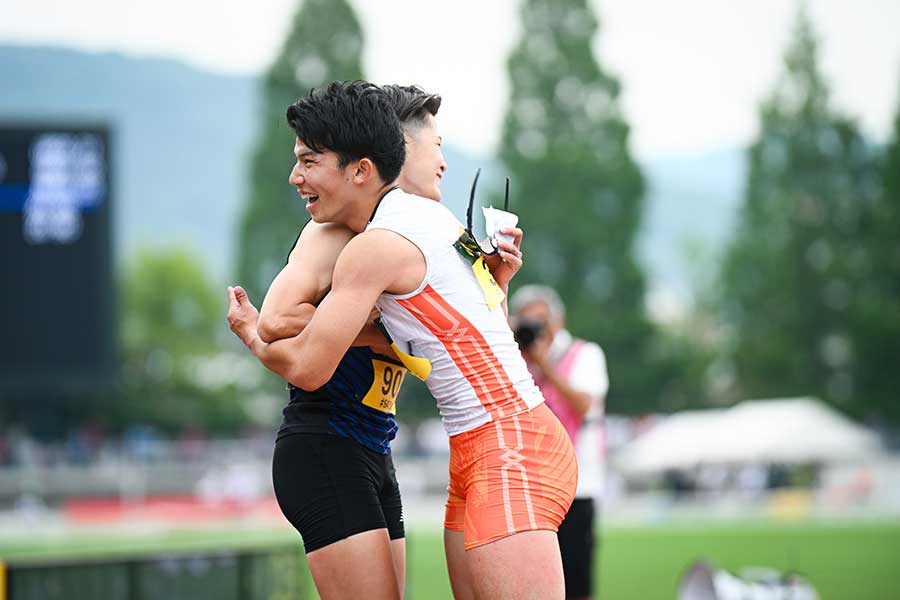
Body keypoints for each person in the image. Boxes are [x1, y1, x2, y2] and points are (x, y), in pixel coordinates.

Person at [227, 80, 576, 599]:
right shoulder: (437, 219)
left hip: (506, 446)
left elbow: (306, 367)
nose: (295, 177)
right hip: (483, 446)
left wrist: (253, 337)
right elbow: (480, 330)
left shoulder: (377, 245)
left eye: (308, 162)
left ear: (362, 169)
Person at [510, 285, 609, 600]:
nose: (534, 331)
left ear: (558, 322)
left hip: (577, 484)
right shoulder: (514, 360)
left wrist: (544, 367)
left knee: (576, 581)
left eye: (540, 322)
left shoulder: (584, 354)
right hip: (531, 484)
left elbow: (584, 405)